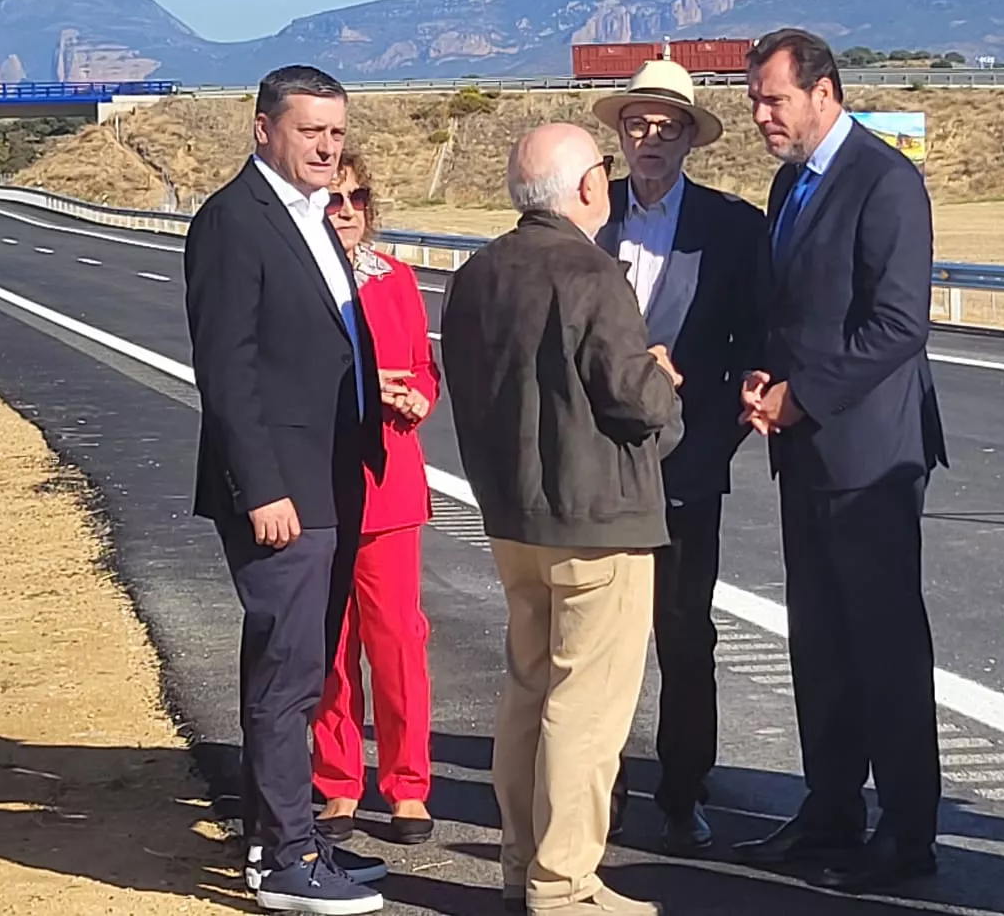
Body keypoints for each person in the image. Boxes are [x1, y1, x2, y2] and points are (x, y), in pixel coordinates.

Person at [438, 123, 684, 916]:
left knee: (527, 692)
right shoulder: (591, 272)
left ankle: (521, 863)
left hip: (514, 516)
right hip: (597, 518)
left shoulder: (475, 274)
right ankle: (564, 882)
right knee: (586, 709)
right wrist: (665, 383)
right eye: (602, 171)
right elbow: (631, 397)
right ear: (584, 186)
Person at [732, 27, 948, 892]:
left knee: (884, 646)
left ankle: (907, 831)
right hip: (805, 447)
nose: (761, 117)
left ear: (825, 94)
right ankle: (830, 810)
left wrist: (804, 393)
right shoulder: (791, 184)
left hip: (869, 453)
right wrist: (761, 372)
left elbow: (900, 324)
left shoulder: (885, 182)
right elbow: (790, 308)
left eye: (774, 100)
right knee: (819, 642)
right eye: (754, 101)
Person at [184, 65, 389, 914]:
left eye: (336, 133)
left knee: (298, 668)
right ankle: (284, 861)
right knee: (288, 674)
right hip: (283, 494)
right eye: (310, 131)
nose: (326, 148)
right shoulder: (237, 222)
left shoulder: (312, 218)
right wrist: (261, 487)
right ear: (263, 127)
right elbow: (226, 371)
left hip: (332, 480)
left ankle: (284, 832)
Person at [589, 60, 767, 855]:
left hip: (687, 467)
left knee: (685, 635)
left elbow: (757, 344)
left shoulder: (732, 227)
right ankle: (600, 786)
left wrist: (716, 436)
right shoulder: (587, 217)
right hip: (594, 470)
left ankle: (684, 785)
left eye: (667, 126)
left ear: (691, 137)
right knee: (598, 636)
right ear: (619, 133)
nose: (650, 139)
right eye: (637, 124)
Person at [310, 149, 439, 847]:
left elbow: (425, 367)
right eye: (335, 199)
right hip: (324, 488)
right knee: (330, 648)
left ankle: (408, 786)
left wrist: (417, 394)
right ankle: (336, 783)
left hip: (390, 489)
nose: (348, 210)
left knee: (396, 645)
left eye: (357, 198)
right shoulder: (302, 284)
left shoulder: (397, 280)